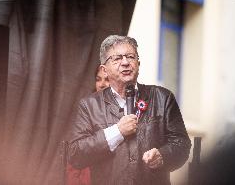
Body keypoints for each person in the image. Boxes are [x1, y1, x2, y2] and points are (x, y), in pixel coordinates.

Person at [67, 35, 191, 185]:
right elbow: (76, 154)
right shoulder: (89, 105)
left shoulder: (162, 97)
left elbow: (182, 144)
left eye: (130, 57)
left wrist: (163, 155)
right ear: (104, 70)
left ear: (138, 63)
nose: (125, 62)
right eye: (117, 58)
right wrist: (117, 131)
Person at [66, 66, 110, 185]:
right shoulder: (87, 108)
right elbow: (75, 154)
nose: (101, 84)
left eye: (107, 79)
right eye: (98, 79)